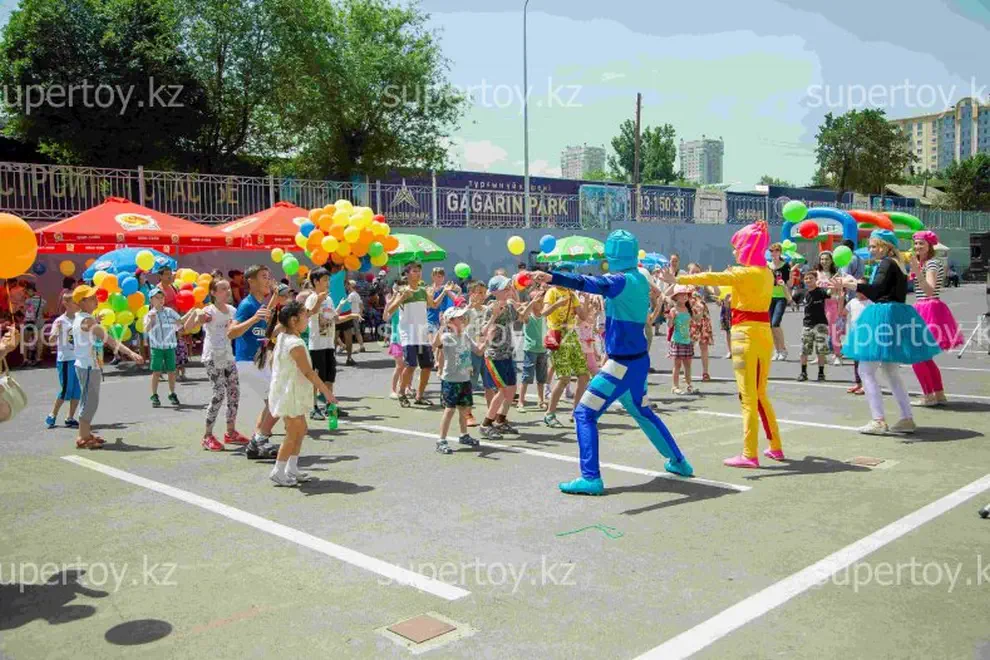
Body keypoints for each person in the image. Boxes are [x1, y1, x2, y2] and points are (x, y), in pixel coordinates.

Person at [529, 230, 693, 495]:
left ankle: (590, 477)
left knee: (584, 413)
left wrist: (553, 277)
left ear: (613, 254)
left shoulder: (619, 280)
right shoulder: (641, 275)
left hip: (620, 364)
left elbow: (587, 282)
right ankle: (679, 462)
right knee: (643, 412)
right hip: (638, 361)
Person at [665, 221, 784, 468]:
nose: (734, 252)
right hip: (763, 335)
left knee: (748, 397)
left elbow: (712, 276)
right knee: (760, 394)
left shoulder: (743, 273)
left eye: (738, 247)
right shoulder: (767, 273)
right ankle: (775, 446)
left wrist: (679, 278)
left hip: (744, 336)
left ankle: (750, 454)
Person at [837, 229, 941, 435]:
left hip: (883, 316)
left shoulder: (886, 263)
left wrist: (850, 284)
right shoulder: (898, 264)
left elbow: (876, 292)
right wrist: (852, 283)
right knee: (891, 371)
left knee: (866, 370)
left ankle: (878, 420)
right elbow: (883, 290)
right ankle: (906, 418)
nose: (871, 250)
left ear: (886, 246)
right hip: (896, 315)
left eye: (874, 246)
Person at [267, 300, 335, 486]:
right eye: (305, 315)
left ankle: (292, 467)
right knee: (293, 432)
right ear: (293, 320)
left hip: (291, 391)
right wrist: (326, 393)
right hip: (290, 393)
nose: (307, 318)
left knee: (301, 429)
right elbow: (308, 372)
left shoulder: (284, 337)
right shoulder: (294, 343)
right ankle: (278, 470)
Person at [70, 285, 144, 449]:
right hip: (88, 366)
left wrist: (95, 321)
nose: (95, 300)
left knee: (90, 400)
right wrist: (130, 353)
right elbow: (109, 339)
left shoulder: (85, 318)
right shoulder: (86, 320)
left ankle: (86, 433)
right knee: (89, 402)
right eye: (91, 298)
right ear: (81, 302)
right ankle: (82, 437)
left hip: (90, 365)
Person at [184, 277, 247, 451]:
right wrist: (196, 314)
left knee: (234, 393)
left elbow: (238, 329)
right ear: (213, 292)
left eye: (228, 288)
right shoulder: (208, 311)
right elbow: (187, 328)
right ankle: (207, 436)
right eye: (223, 289)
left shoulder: (233, 310)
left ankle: (231, 432)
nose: (227, 292)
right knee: (219, 394)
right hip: (212, 356)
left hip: (228, 356)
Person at [229, 265, 280, 459]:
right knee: (276, 401)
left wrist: (275, 297)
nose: (268, 280)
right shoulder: (247, 305)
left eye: (269, 276)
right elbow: (231, 332)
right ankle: (258, 441)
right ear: (251, 281)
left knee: (274, 402)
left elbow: (265, 318)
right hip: (247, 362)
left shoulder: (260, 304)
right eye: (264, 277)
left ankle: (258, 442)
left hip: (260, 361)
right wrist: (253, 319)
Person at [478, 275, 536, 439]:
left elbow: (522, 317)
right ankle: (486, 424)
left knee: (511, 389)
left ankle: (500, 420)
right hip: (494, 356)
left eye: (509, 287)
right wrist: (494, 316)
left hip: (507, 354)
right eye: (505, 288)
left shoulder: (510, 306)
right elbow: (482, 331)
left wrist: (533, 301)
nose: (509, 290)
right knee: (503, 391)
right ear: (495, 292)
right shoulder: (491, 308)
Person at [908, 230, 962, 407]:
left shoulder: (931, 264)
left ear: (930, 245)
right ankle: (938, 394)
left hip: (927, 308)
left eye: (921, 243)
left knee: (916, 356)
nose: (917, 246)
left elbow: (930, 290)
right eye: (916, 243)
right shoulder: (926, 263)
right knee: (925, 357)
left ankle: (929, 396)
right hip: (926, 308)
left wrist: (917, 271)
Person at [385, 262, 449, 407]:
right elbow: (390, 311)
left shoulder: (423, 291)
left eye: (419, 271)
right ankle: (401, 392)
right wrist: (401, 298)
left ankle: (419, 396)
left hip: (422, 335)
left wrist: (444, 291)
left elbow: (434, 305)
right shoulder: (402, 291)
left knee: (427, 366)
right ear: (407, 274)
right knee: (411, 365)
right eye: (414, 271)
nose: (418, 273)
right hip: (408, 335)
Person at [431, 306, 487, 454]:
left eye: (463, 317)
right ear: (450, 321)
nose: (463, 319)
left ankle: (464, 435)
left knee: (464, 409)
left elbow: (478, 351)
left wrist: (487, 340)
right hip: (451, 380)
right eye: (459, 317)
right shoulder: (447, 337)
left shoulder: (466, 336)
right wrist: (442, 326)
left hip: (464, 379)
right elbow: (435, 344)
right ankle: (441, 440)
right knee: (450, 410)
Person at [542, 264, 589, 428]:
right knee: (564, 378)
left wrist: (585, 300)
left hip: (571, 335)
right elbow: (543, 313)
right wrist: (557, 304)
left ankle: (576, 412)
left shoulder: (571, 293)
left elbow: (583, 316)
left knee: (584, 375)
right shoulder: (552, 292)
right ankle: (549, 414)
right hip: (557, 335)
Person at [144, 286, 188, 407]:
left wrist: (184, 320)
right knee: (156, 372)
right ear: (151, 300)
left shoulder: (169, 311)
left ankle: (172, 393)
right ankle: (154, 395)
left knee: (171, 371)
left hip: (170, 346)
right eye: (157, 297)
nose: (160, 300)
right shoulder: (149, 314)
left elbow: (180, 322)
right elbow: (146, 330)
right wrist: (151, 321)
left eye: (162, 297)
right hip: (157, 347)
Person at [45, 292, 80, 429]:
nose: (77, 304)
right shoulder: (60, 321)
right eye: (74, 302)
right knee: (66, 389)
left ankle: (70, 417)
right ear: (66, 304)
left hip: (79, 360)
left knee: (77, 390)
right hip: (66, 359)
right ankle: (52, 414)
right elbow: (51, 340)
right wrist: (57, 332)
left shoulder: (80, 319)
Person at [518, 287, 548, 410]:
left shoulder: (544, 315)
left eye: (542, 301)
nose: (542, 303)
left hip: (543, 350)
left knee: (541, 378)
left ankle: (541, 400)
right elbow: (522, 316)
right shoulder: (529, 317)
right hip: (530, 350)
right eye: (539, 302)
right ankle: (521, 401)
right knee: (527, 376)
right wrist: (532, 302)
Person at [798, 269, 829, 382]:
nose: (808, 280)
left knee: (821, 350)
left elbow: (831, 293)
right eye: (806, 278)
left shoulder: (821, 291)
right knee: (804, 350)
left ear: (816, 279)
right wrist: (784, 287)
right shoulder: (802, 293)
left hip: (821, 324)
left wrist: (835, 286)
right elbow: (791, 300)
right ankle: (803, 372)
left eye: (811, 278)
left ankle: (821, 373)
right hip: (807, 324)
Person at [686, 263, 715, 380]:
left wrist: (711, 279)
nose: (695, 274)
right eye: (693, 271)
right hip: (690, 317)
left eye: (697, 272)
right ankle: (686, 372)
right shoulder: (685, 284)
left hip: (703, 317)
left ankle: (705, 372)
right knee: (688, 345)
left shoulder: (703, 284)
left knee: (704, 345)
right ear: (688, 273)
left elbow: (715, 292)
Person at [668, 285, 696, 394]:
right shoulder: (674, 310)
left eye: (686, 295)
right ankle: (675, 386)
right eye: (681, 294)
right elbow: (670, 325)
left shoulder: (689, 309)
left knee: (688, 365)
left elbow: (696, 320)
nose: (684, 296)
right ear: (676, 297)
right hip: (677, 341)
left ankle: (689, 385)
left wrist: (701, 311)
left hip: (687, 341)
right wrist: (670, 318)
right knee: (677, 365)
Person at [843, 289, 871, 395]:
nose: (859, 292)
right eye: (857, 290)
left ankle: (866, 385)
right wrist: (841, 299)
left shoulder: (871, 302)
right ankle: (858, 383)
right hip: (855, 335)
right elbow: (842, 313)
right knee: (856, 362)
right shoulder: (852, 302)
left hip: (867, 335)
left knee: (865, 362)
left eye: (862, 289)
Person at [767, 243, 791, 361]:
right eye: (772, 251)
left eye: (776, 250)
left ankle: (783, 350)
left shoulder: (785, 266)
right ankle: (776, 350)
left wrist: (784, 283)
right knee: (770, 326)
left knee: (775, 323)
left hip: (781, 297)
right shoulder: (767, 266)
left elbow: (789, 283)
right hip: (768, 297)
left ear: (780, 252)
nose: (774, 253)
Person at [345, 279, 366, 354]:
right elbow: (361, 305)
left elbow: (347, 306)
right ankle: (361, 346)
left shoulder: (351, 295)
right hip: (356, 315)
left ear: (350, 286)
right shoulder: (356, 294)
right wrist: (360, 314)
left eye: (347, 285)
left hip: (351, 315)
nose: (346, 286)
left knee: (349, 332)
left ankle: (349, 347)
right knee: (357, 332)